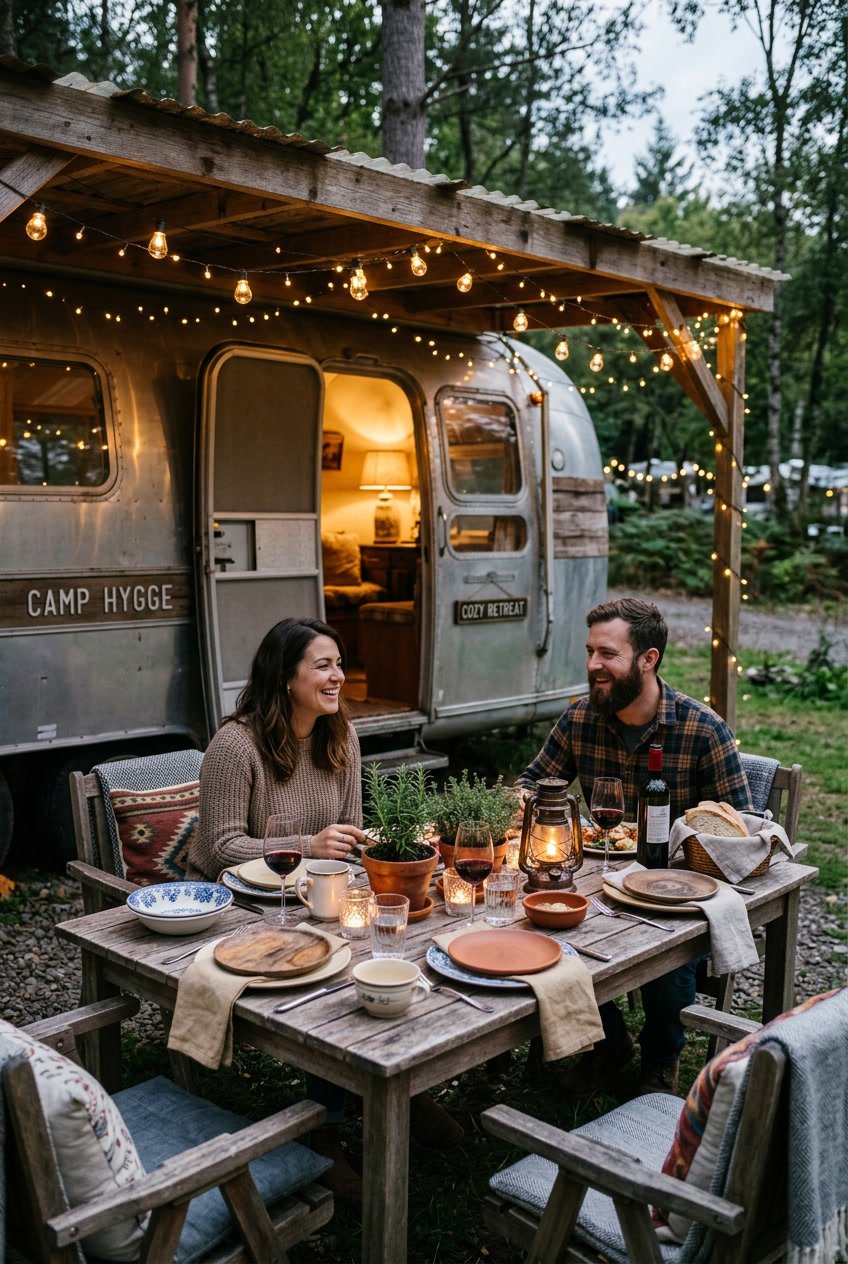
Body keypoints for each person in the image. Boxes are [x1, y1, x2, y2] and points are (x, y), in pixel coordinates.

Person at [187, 617, 461, 1200]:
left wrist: (375, 851)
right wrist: (305, 846)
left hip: (317, 895)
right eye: (323, 665)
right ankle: (326, 1130)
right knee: (331, 980)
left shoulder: (342, 735)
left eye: (339, 664)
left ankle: (405, 1090)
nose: (338, 676)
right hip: (242, 906)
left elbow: (350, 826)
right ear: (285, 677)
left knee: (399, 953)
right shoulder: (236, 745)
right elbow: (217, 850)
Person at [517, 597, 753, 1094]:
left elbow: (743, 829)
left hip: (673, 892)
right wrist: (522, 801)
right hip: (596, 879)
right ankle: (608, 1042)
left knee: (665, 960)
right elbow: (534, 782)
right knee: (545, 931)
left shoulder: (701, 729)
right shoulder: (581, 718)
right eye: (589, 652)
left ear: (648, 659)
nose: (592, 666)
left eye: (607, 654)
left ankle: (660, 1059)